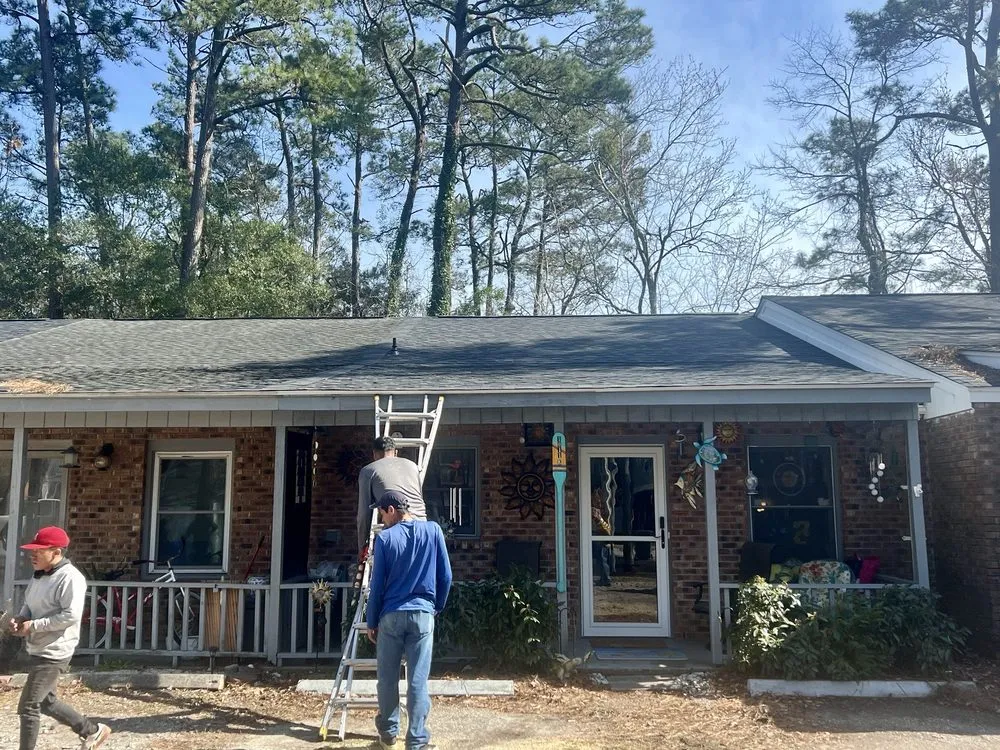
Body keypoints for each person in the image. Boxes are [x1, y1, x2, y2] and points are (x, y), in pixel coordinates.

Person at [10, 526, 111, 750]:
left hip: (55, 651)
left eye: (39, 551)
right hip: (38, 647)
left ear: (56, 552)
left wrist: (33, 625)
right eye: (31, 551)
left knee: (29, 706)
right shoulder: (39, 576)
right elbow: (29, 603)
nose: (32, 555)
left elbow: (71, 616)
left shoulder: (71, 578)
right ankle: (93, 731)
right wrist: (21, 617)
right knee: (47, 702)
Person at [366, 490, 452, 750]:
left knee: (388, 677)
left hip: (391, 614)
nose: (381, 519)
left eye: (382, 513)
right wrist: (436, 606)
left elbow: (377, 584)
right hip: (423, 614)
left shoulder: (385, 540)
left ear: (391, 510)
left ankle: (389, 733)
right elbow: (445, 576)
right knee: (417, 678)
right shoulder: (434, 531)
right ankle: (416, 740)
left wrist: (372, 621)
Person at [357, 436, 427, 552]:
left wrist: (362, 547)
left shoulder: (369, 471)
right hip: (423, 526)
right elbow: (419, 497)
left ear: (374, 454)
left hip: (397, 531)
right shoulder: (413, 466)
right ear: (396, 452)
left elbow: (364, 514)